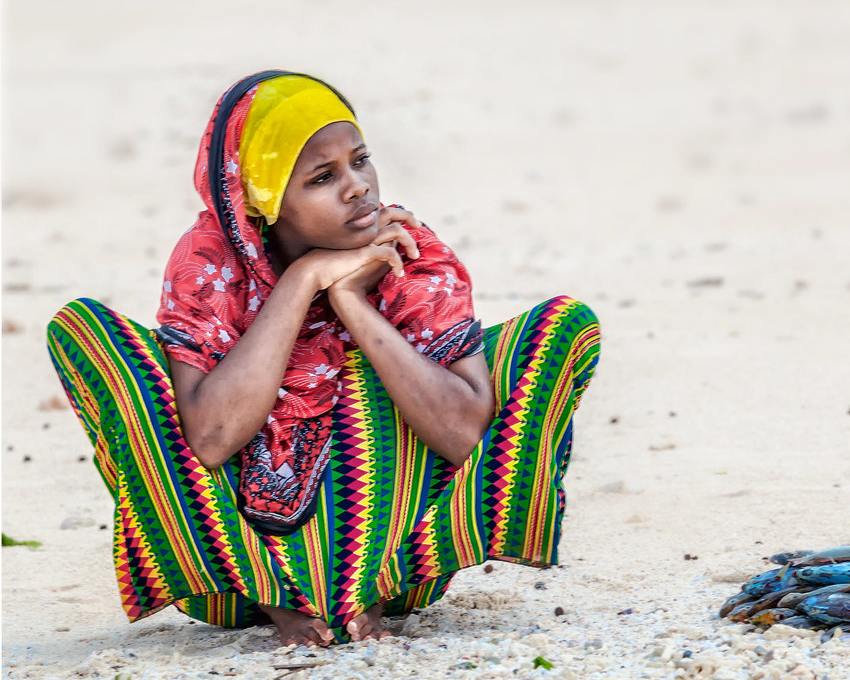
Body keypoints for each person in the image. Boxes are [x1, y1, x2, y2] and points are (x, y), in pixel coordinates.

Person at [46, 70, 600, 646]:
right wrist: (304, 280)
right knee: (86, 333)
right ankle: (276, 593)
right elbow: (209, 438)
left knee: (559, 330)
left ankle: (369, 588)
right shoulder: (210, 260)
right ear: (263, 199)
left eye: (360, 160)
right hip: (229, 579)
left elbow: (463, 432)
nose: (358, 187)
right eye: (321, 177)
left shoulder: (406, 245)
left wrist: (352, 302)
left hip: (406, 570)